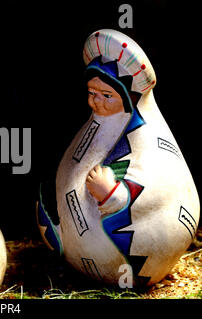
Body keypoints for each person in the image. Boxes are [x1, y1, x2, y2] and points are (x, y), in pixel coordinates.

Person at [38, 29, 199, 287]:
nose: (95, 102)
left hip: (132, 253)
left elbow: (163, 185)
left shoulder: (147, 136)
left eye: (106, 95)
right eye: (91, 92)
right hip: (75, 245)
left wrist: (115, 195)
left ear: (128, 97)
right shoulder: (99, 123)